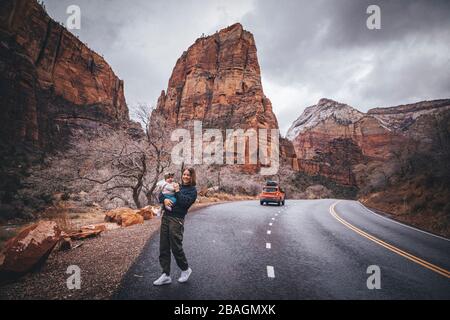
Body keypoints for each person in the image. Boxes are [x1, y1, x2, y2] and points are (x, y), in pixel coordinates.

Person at [153, 167, 197, 286]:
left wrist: (177, 191)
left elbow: (184, 203)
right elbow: (162, 193)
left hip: (177, 220)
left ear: (192, 177)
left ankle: (185, 269)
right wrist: (165, 200)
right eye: (184, 174)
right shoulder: (176, 185)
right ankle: (165, 275)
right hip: (166, 217)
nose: (186, 176)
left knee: (176, 246)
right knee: (164, 246)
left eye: (188, 175)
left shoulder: (192, 191)